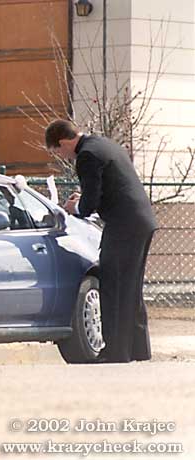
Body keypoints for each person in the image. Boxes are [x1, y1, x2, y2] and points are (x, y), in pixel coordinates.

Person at [45, 119, 157, 363]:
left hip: (123, 225)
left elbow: (89, 205)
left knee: (113, 286)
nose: (63, 157)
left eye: (58, 152)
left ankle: (116, 352)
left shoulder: (86, 156)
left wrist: (75, 207)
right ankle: (138, 349)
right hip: (141, 221)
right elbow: (107, 188)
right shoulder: (104, 144)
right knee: (130, 287)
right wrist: (84, 198)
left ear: (64, 142)